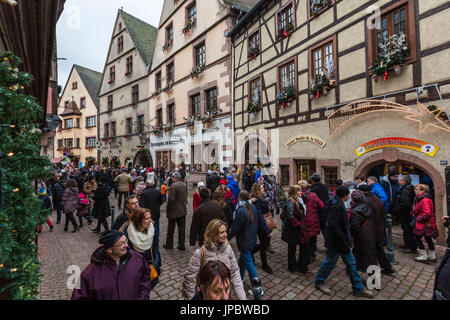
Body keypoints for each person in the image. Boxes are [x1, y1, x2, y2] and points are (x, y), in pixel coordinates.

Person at [314, 186, 375, 298]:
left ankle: (358, 289)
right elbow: (332, 224)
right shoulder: (336, 206)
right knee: (329, 263)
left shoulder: (336, 202)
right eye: (348, 194)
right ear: (345, 195)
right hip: (336, 242)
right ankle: (319, 281)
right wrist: (342, 237)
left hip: (342, 242)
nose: (349, 196)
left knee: (351, 265)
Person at [71, 230, 151, 300]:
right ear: (109, 250)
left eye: (125, 241)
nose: (126, 245)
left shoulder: (137, 259)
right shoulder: (90, 274)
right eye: (121, 244)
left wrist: (143, 297)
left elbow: (145, 278)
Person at [183, 219, 246, 300]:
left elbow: (235, 273)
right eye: (222, 232)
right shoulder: (200, 253)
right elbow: (189, 279)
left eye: (225, 231)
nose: (225, 235)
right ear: (213, 234)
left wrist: (242, 297)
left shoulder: (228, 249)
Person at [228, 191, 263, 297]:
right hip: (251, 238)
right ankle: (239, 277)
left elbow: (236, 228)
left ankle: (258, 287)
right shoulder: (252, 207)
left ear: (240, 198)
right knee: (243, 260)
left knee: (248, 262)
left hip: (244, 241)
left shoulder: (241, 211)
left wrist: (228, 236)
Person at [358, 184, 396, 276]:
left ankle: (373, 279)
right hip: (379, 229)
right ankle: (388, 268)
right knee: (378, 250)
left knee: (369, 254)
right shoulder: (377, 199)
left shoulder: (365, 201)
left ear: (362, 192)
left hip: (370, 230)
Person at [123, 208, 160, 288]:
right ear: (139, 220)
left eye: (150, 217)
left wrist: (155, 265)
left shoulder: (152, 230)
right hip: (134, 273)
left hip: (149, 269)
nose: (150, 221)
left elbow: (156, 249)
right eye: (147, 218)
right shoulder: (128, 234)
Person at [281, 185, 309, 273]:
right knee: (292, 249)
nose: (301, 192)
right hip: (292, 229)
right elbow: (290, 216)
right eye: (299, 191)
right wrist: (299, 224)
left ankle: (301, 266)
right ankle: (292, 267)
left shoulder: (296, 200)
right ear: (295, 192)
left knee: (303, 246)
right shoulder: (291, 202)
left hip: (297, 229)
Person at [348, 190, 377, 273]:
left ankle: (374, 283)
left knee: (362, 256)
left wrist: (352, 234)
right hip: (370, 234)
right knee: (370, 258)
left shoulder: (355, 211)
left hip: (361, 237)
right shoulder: (367, 207)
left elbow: (355, 227)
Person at [411, 184, 439, 263]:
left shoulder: (424, 200)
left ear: (423, 191)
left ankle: (423, 256)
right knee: (428, 238)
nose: (415, 190)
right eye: (415, 189)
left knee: (417, 238)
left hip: (424, 223)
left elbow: (427, 213)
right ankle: (432, 257)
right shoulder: (420, 198)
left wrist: (418, 219)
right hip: (426, 222)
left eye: (417, 189)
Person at [249, 182, 273, 274]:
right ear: (258, 190)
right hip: (261, 226)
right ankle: (265, 265)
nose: (264, 189)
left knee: (265, 244)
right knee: (264, 245)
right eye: (262, 188)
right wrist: (267, 231)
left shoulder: (261, 198)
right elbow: (260, 218)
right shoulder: (256, 201)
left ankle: (252, 251)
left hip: (265, 223)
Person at [392, 174, 417, 254]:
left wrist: (397, 209)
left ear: (404, 182)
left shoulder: (406, 189)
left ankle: (410, 247)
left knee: (407, 230)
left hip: (406, 214)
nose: (398, 181)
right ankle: (407, 245)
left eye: (400, 180)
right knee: (406, 230)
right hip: (406, 213)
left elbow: (405, 204)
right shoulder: (407, 188)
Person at [164, 172, 187, 251]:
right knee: (182, 229)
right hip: (183, 209)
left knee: (170, 229)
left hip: (174, 210)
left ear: (174, 177)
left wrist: (168, 210)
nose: (171, 178)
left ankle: (169, 244)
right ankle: (181, 245)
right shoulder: (184, 185)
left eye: (172, 177)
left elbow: (171, 200)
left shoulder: (173, 186)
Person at [303, 183, 323, 262]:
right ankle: (313, 254)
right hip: (313, 219)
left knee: (306, 239)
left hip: (304, 219)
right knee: (313, 238)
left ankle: (307, 255)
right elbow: (321, 205)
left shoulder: (300, 195)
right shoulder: (313, 195)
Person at [310, 173, 330, 242]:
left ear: (312, 180)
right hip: (325, 210)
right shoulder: (324, 187)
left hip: (317, 212)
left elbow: (312, 202)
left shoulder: (313, 189)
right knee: (324, 228)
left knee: (313, 229)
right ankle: (328, 244)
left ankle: (313, 247)